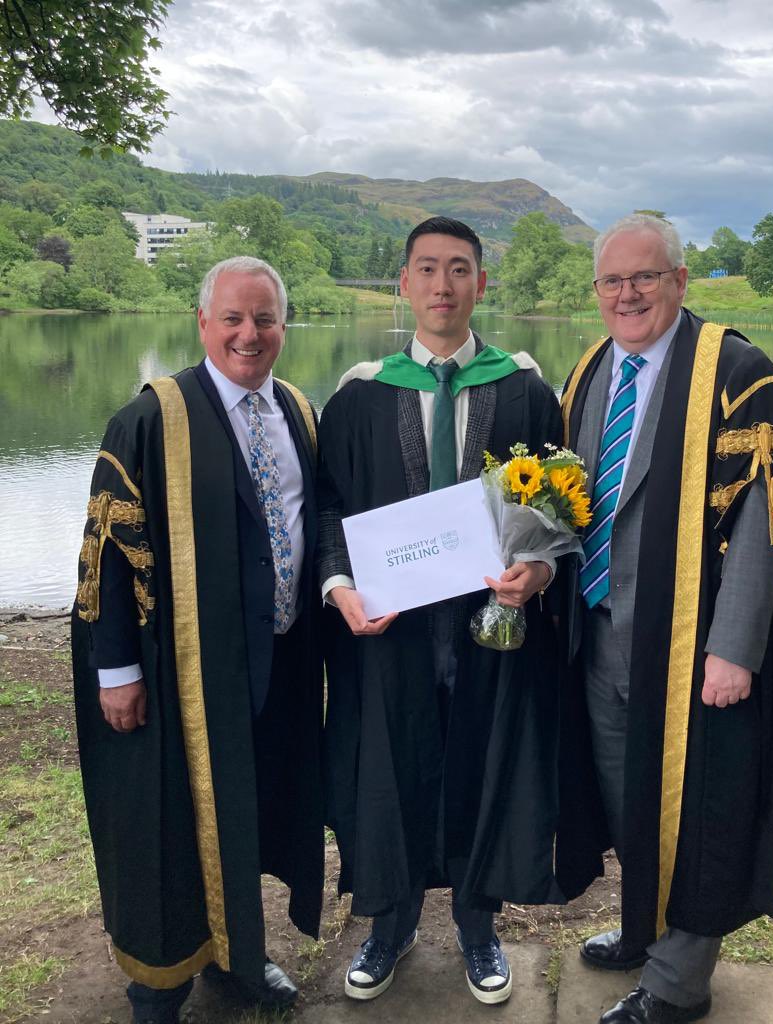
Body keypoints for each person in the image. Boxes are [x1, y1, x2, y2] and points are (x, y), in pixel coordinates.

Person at [318, 216, 566, 1006]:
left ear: (481, 284)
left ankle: (476, 924)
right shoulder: (360, 396)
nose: (442, 286)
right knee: (391, 767)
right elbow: (328, 509)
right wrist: (338, 586)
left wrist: (538, 569)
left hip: (491, 629)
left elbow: (562, 508)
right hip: (391, 634)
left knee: (482, 764)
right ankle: (389, 925)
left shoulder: (524, 389)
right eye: (427, 269)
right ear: (404, 282)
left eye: (459, 269)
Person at [558, 215, 773, 1024]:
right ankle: (644, 928)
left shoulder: (738, 374)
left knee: (700, 808)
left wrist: (735, 649)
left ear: (680, 281)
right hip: (599, 632)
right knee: (630, 797)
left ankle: (677, 985)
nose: (627, 295)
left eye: (645, 278)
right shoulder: (594, 366)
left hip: (689, 645)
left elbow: (763, 524)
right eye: (612, 282)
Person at [71, 257, 324, 1024]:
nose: (250, 334)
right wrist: (116, 671)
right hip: (178, 669)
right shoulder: (151, 418)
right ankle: (159, 984)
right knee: (168, 826)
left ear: (284, 325)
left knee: (245, 812)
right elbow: (107, 551)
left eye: (265, 319)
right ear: (203, 322)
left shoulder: (300, 412)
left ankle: (238, 956)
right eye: (233, 319)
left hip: (275, 662)